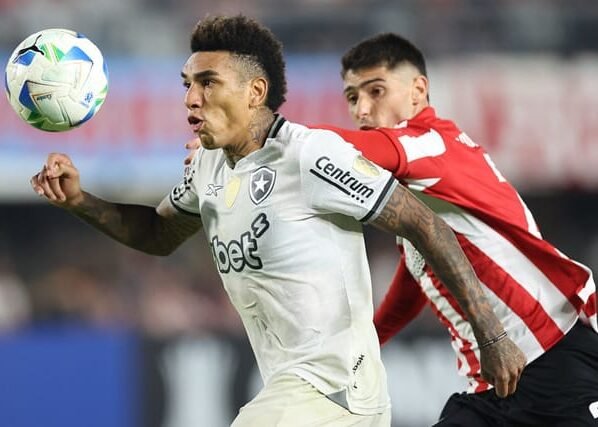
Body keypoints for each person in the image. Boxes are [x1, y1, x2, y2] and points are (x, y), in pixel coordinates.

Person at [30, 16, 525, 426]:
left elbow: (427, 225)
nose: (190, 98)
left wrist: (492, 335)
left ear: (255, 91)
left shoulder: (311, 156)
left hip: (336, 391)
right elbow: (159, 234)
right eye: (187, 84)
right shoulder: (207, 166)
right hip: (299, 394)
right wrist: (80, 201)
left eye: (208, 83)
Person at [315, 33, 598, 426]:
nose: (362, 109)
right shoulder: (417, 180)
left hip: (554, 363)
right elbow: (417, 276)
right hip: (492, 385)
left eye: (376, 91)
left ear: (418, 91)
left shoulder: (429, 144)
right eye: (351, 97)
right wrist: (367, 343)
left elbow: (337, 149)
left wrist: (272, 132)